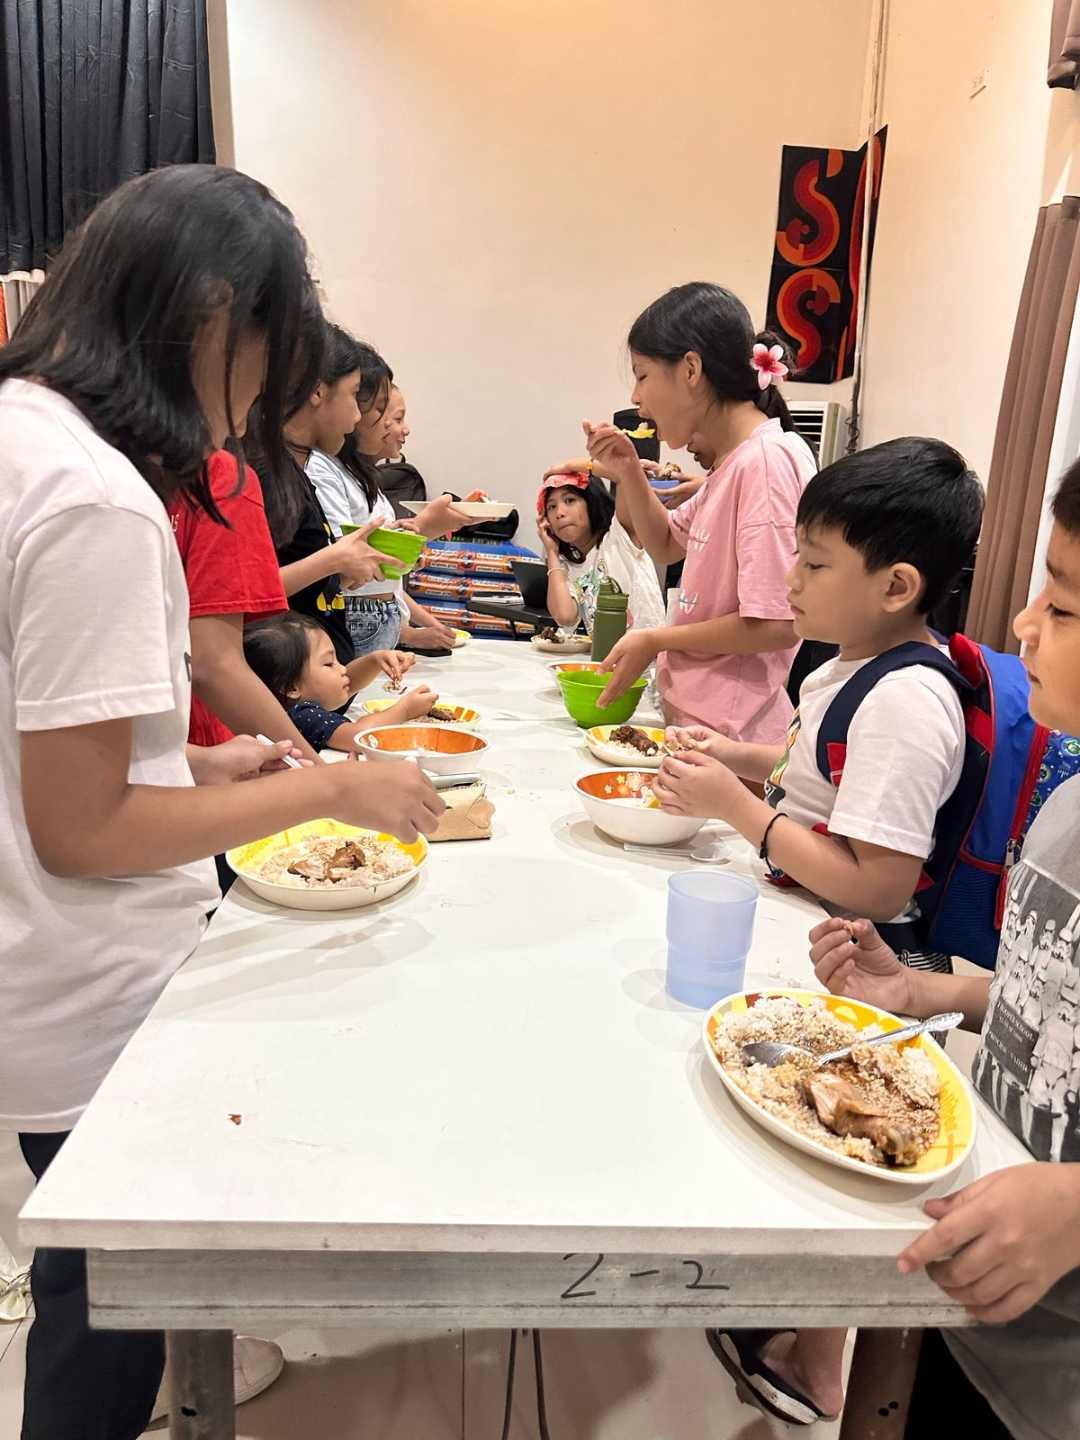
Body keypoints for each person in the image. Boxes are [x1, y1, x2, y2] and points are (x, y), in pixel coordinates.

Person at [0, 164, 445, 1440]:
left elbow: (45, 744)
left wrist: (193, 766)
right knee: (102, 1317)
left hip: (37, 967)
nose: (250, 407)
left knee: (86, 1281)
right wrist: (335, 784)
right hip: (81, 986)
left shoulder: (25, 434)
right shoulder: (96, 498)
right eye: (267, 365)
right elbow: (81, 831)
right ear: (212, 316)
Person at [651, 437, 983, 1425]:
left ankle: (817, 1360)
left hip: (866, 958)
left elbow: (878, 883)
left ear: (897, 585)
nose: (790, 580)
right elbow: (818, 774)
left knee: (834, 1144)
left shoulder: (909, 700)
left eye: (816, 562)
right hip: (815, 927)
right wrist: (739, 758)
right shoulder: (851, 666)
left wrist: (736, 811)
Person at [807, 457, 1080, 1440]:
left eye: (1065, 605)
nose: (1023, 624)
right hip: (977, 1291)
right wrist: (934, 994)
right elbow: (1058, 1003)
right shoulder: (1068, 804)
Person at [569, 282, 817, 735]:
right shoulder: (735, 462)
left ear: (690, 369)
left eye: (642, 375)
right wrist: (628, 469)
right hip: (701, 725)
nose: (636, 398)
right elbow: (666, 543)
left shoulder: (765, 462)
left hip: (730, 734)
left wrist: (656, 639)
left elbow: (778, 623)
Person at [305, 332, 466, 654]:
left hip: (378, 618)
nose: (403, 429)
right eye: (387, 413)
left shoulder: (363, 478)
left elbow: (376, 570)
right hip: (356, 616)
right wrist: (421, 530)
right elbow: (343, 566)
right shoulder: (321, 468)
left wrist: (408, 540)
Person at [245, 612, 438, 752]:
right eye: (329, 663)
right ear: (291, 687)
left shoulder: (300, 701)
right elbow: (359, 737)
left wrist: (375, 659)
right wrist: (405, 710)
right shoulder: (302, 715)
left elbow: (348, 684)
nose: (343, 669)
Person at [536, 472, 666, 634]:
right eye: (551, 506)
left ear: (591, 502)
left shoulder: (620, 534)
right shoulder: (569, 566)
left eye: (569, 500)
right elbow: (565, 616)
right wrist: (552, 553)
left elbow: (623, 472)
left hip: (649, 649)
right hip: (605, 650)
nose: (559, 513)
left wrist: (567, 467)